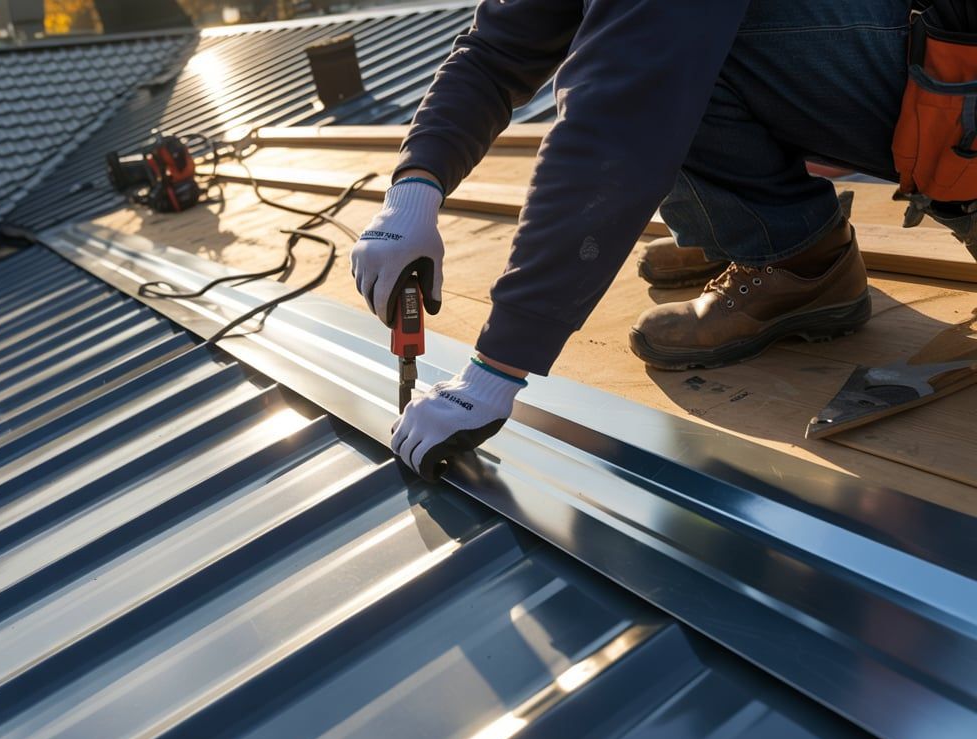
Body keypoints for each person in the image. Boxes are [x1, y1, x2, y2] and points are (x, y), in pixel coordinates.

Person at [350, 0, 960, 481]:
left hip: (958, 79)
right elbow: (495, 50)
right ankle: (792, 255)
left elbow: (617, 109)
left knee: (670, 48)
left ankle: (783, 242)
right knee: (653, 34)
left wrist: (493, 372)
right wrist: (412, 196)